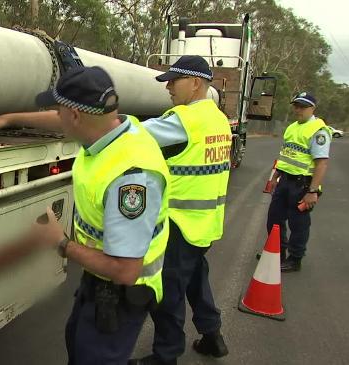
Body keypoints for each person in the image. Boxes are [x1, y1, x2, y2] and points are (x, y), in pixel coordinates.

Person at [0, 66, 171, 365]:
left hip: (122, 292)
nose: (57, 116)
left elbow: (126, 270)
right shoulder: (121, 127)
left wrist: (60, 242)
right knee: (76, 342)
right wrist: (11, 118)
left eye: (60, 110)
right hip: (99, 280)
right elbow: (62, 119)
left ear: (75, 116)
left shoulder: (130, 179)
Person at [128, 55, 231, 365]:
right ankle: (212, 335)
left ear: (196, 82)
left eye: (175, 81)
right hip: (204, 224)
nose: (169, 87)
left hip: (178, 223)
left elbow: (133, 134)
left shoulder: (185, 120)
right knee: (197, 278)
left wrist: (105, 117)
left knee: (168, 293)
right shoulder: (218, 120)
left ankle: (166, 356)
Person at [265, 92, 331, 272]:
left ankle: (295, 259)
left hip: (302, 185)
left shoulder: (318, 131)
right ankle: (277, 253)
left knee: (298, 224)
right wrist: (274, 177)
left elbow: (321, 163)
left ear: (312, 108)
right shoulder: (292, 127)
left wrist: (313, 191)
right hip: (285, 181)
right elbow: (285, 156)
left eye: (302, 106)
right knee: (274, 220)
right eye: (296, 106)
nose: (298, 109)